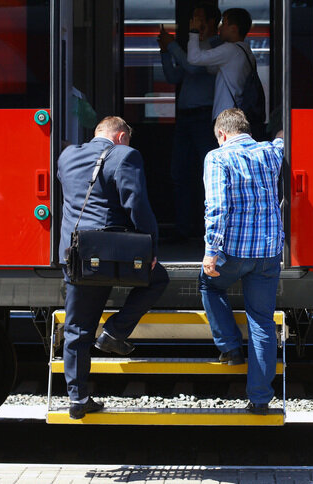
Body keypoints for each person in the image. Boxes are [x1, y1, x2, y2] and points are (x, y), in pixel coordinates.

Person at [57, 116, 170, 419]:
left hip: (74, 253)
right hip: (110, 255)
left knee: (76, 328)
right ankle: (114, 332)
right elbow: (137, 204)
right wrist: (151, 248)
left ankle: (78, 399)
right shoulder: (124, 155)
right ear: (121, 137)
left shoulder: (67, 157)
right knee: (158, 279)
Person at [198, 108, 285, 415]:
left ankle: (230, 348)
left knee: (209, 286)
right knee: (261, 321)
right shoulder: (270, 153)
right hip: (269, 252)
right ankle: (260, 400)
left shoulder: (217, 157)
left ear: (222, 134)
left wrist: (211, 250)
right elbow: (281, 141)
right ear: (245, 129)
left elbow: (218, 207)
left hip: (234, 252)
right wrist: (279, 133)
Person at [157, 4, 222, 241]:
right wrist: (165, 51)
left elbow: (192, 67)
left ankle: (208, 229)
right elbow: (174, 76)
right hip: (185, 118)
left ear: (214, 22)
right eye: (193, 20)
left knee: (207, 174)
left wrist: (172, 46)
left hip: (204, 117)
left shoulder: (217, 46)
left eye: (200, 19)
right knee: (180, 173)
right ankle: (183, 228)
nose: (196, 25)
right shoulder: (192, 48)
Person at [186, 8, 253, 122]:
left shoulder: (230, 49)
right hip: (235, 114)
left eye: (224, 23)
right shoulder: (245, 51)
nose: (220, 27)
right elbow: (212, 69)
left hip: (226, 116)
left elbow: (193, 58)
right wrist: (205, 38)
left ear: (233, 29)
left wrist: (194, 32)